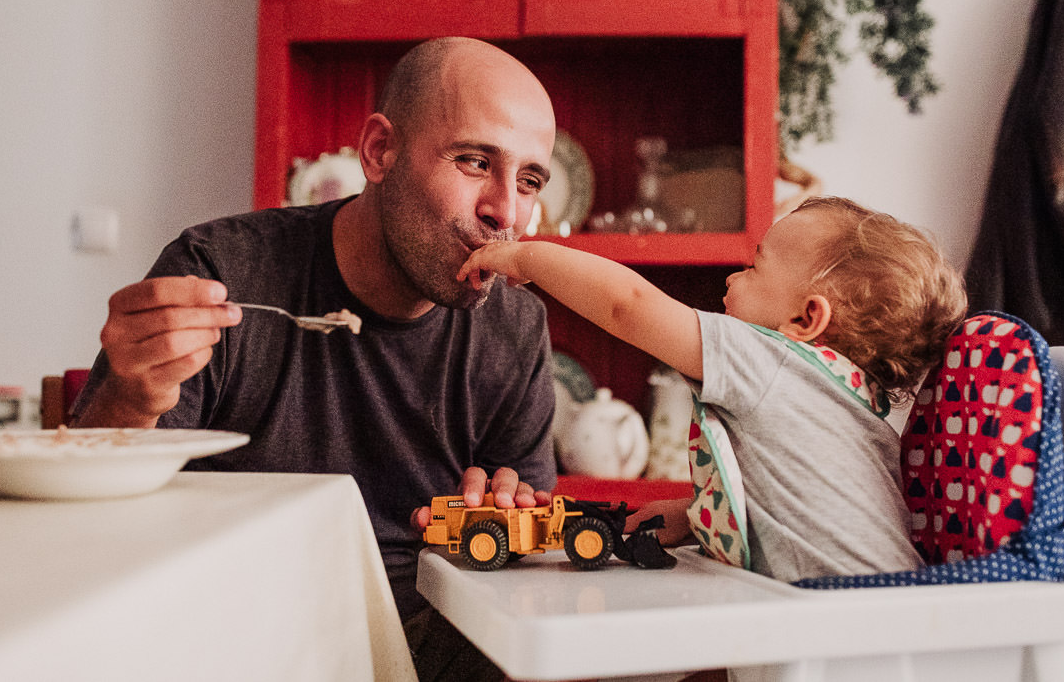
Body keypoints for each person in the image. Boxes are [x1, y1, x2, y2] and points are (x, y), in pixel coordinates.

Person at [71, 36, 560, 680]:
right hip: (236, 637)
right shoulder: (222, 273)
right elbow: (86, 527)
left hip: (432, 639)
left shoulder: (516, 327)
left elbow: (525, 561)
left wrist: (504, 519)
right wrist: (127, 399)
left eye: (528, 181)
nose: (506, 212)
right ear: (379, 151)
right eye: (474, 161)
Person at [459, 195, 968, 584]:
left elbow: (627, 305)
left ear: (805, 319)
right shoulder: (859, 409)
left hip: (842, 630)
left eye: (754, 268)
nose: (732, 279)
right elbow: (802, 508)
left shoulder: (773, 358)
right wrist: (695, 513)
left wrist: (527, 257)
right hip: (888, 621)